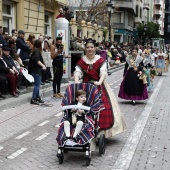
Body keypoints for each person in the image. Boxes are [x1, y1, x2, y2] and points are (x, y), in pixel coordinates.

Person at [74, 39, 126, 138]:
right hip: (85, 87)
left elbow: (103, 72)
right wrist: (76, 82)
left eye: (92, 47)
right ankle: (81, 129)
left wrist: (99, 82)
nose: (90, 49)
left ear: (95, 48)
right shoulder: (82, 61)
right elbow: (77, 72)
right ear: (85, 48)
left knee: (102, 107)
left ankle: (99, 133)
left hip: (98, 86)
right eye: (88, 47)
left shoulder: (100, 60)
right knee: (81, 106)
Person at [28, 39, 46, 105]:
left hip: (36, 70)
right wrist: (43, 65)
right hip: (35, 70)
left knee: (37, 84)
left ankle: (37, 97)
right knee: (37, 84)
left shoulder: (36, 50)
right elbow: (37, 60)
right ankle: (33, 98)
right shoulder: (36, 51)